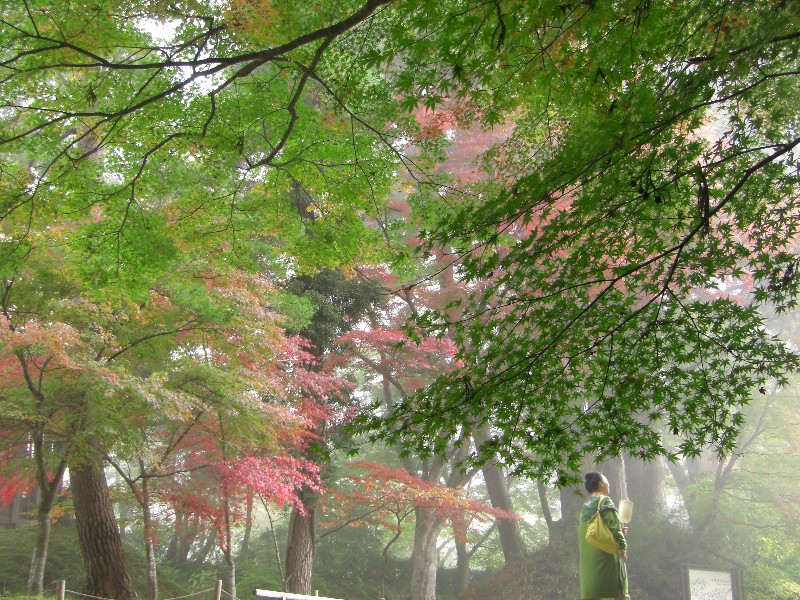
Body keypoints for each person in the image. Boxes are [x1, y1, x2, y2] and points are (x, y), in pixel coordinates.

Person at [578, 471, 629, 600]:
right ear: (601, 485)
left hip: (589, 561)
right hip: (606, 557)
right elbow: (616, 528)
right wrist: (623, 547)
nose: (609, 486)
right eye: (607, 483)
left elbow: (594, 531)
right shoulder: (605, 502)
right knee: (614, 592)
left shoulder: (585, 507)